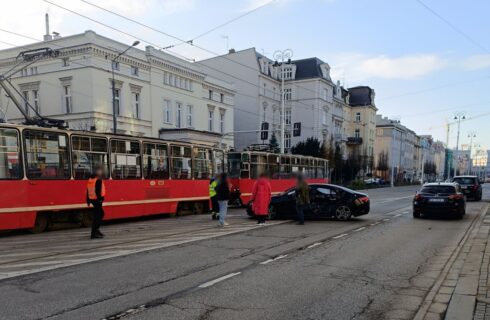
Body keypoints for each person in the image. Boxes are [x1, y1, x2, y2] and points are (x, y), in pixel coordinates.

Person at [86, 167, 106, 239]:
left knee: (99, 215)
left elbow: (88, 190)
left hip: (92, 199)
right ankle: (94, 233)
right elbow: (98, 191)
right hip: (97, 200)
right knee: (98, 216)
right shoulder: (98, 180)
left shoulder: (91, 179)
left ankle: (96, 230)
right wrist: (100, 199)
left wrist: (88, 200)